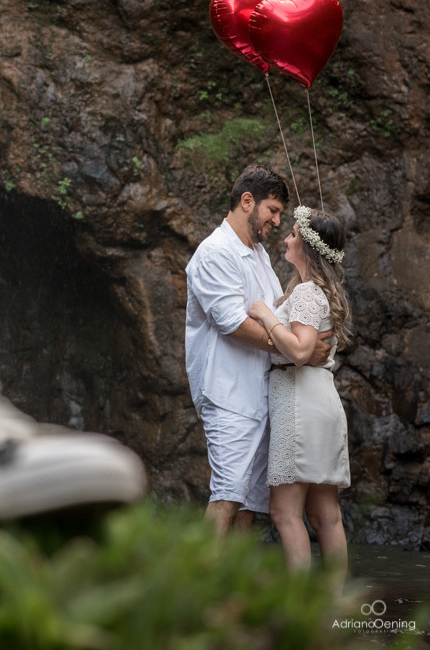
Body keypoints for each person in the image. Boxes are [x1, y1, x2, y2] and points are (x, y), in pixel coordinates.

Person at [185, 164, 332, 536]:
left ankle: (233, 594)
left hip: (263, 395)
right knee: (226, 496)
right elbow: (233, 324)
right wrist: (299, 349)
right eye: (273, 210)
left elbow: (275, 314)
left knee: (248, 505)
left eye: (281, 213)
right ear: (247, 202)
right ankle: (197, 591)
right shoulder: (215, 252)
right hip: (228, 392)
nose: (278, 221)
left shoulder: (260, 253)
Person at [248, 206, 351, 576]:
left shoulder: (307, 292)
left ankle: (300, 611)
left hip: (299, 402)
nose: (287, 238)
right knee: (326, 515)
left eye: (293, 234)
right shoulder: (319, 291)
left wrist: (265, 313)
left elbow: (301, 349)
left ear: (307, 248)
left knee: (285, 511)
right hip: (321, 398)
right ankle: (331, 607)